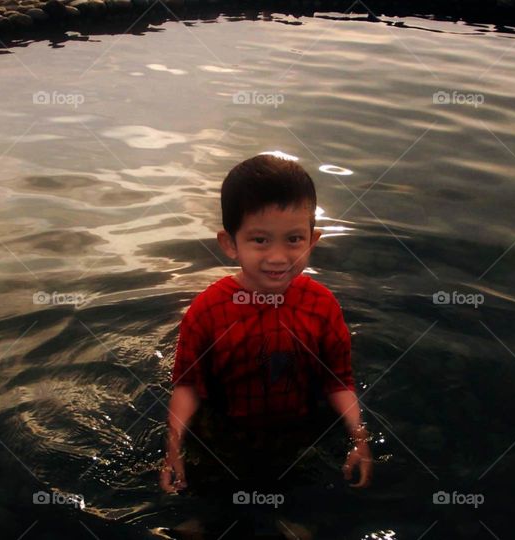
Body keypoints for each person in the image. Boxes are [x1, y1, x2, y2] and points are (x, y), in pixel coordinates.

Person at [159, 154, 372, 538]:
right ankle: (208, 519)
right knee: (208, 498)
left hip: (296, 433)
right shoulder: (208, 311)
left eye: (294, 239)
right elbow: (188, 386)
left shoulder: (322, 307)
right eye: (259, 240)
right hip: (223, 433)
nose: (278, 257)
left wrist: (360, 439)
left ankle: (293, 519)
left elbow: (339, 382)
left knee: (298, 498)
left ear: (313, 239)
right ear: (230, 243)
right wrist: (172, 448)